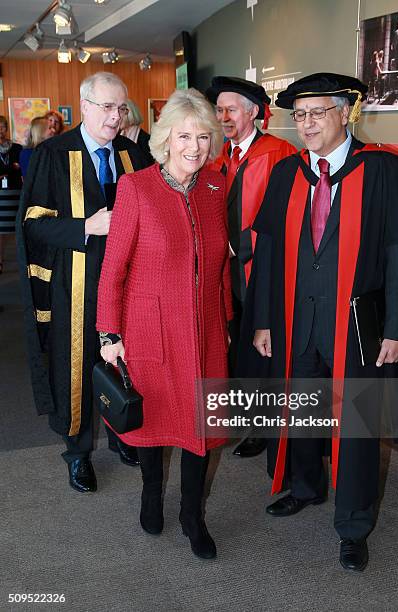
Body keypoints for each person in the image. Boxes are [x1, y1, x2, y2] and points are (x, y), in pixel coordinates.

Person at [239, 72, 398, 572]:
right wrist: (263, 321)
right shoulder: (287, 174)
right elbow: (270, 253)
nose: (306, 124)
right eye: (299, 115)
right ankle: (305, 486)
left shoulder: (382, 171)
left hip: (357, 324)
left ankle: (354, 522)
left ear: (347, 112)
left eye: (317, 112)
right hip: (296, 320)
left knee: (357, 423)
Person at [96, 88, 232, 560]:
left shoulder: (216, 187)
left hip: (206, 329)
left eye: (202, 136)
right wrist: (109, 335)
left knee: (202, 425)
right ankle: (151, 491)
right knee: (152, 421)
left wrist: (228, 319)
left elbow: (221, 264)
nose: (193, 147)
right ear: (166, 139)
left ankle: (192, 515)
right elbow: (113, 270)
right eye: (183, 136)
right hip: (150, 330)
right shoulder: (136, 188)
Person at [16, 72, 148, 493]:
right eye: (107, 107)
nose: (115, 116)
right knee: (76, 368)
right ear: (85, 106)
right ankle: (77, 453)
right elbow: (33, 225)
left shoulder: (133, 153)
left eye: (121, 108)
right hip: (75, 285)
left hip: (126, 283)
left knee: (123, 362)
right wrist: (85, 226)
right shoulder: (53, 154)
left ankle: (122, 434)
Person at [206, 76, 296, 457]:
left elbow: (285, 219)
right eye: (219, 109)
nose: (223, 116)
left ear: (254, 112)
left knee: (265, 349)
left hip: (263, 271)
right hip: (228, 276)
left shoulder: (279, 153)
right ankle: (247, 420)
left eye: (231, 109)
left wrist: (238, 244)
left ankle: (265, 430)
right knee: (239, 347)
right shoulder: (219, 156)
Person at [0, 115, 22, 273]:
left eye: (2, 126)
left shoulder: (16, 148)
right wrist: (11, 168)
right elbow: (14, 167)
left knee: (16, 228)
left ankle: (21, 260)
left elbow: (20, 167)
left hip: (15, 192)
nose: (0, 130)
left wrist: (7, 170)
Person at [119, 99, 154, 166]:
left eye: (122, 112)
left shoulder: (147, 141)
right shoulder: (117, 138)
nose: (117, 117)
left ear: (130, 114)